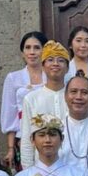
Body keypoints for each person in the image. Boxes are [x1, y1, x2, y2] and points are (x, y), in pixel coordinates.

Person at [0, 31, 48, 169]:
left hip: (49, 134)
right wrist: (11, 148)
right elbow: (10, 114)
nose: (32, 52)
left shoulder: (52, 75)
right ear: (22, 53)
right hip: (23, 136)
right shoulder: (13, 78)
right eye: (28, 48)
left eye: (37, 48)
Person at [21, 40, 70, 168]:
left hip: (72, 166)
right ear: (42, 67)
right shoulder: (31, 99)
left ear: (67, 68)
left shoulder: (75, 97)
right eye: (50, 60)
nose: (55, 64)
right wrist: (28, 171)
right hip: (41, 169)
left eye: (60, 60)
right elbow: (27, 139)